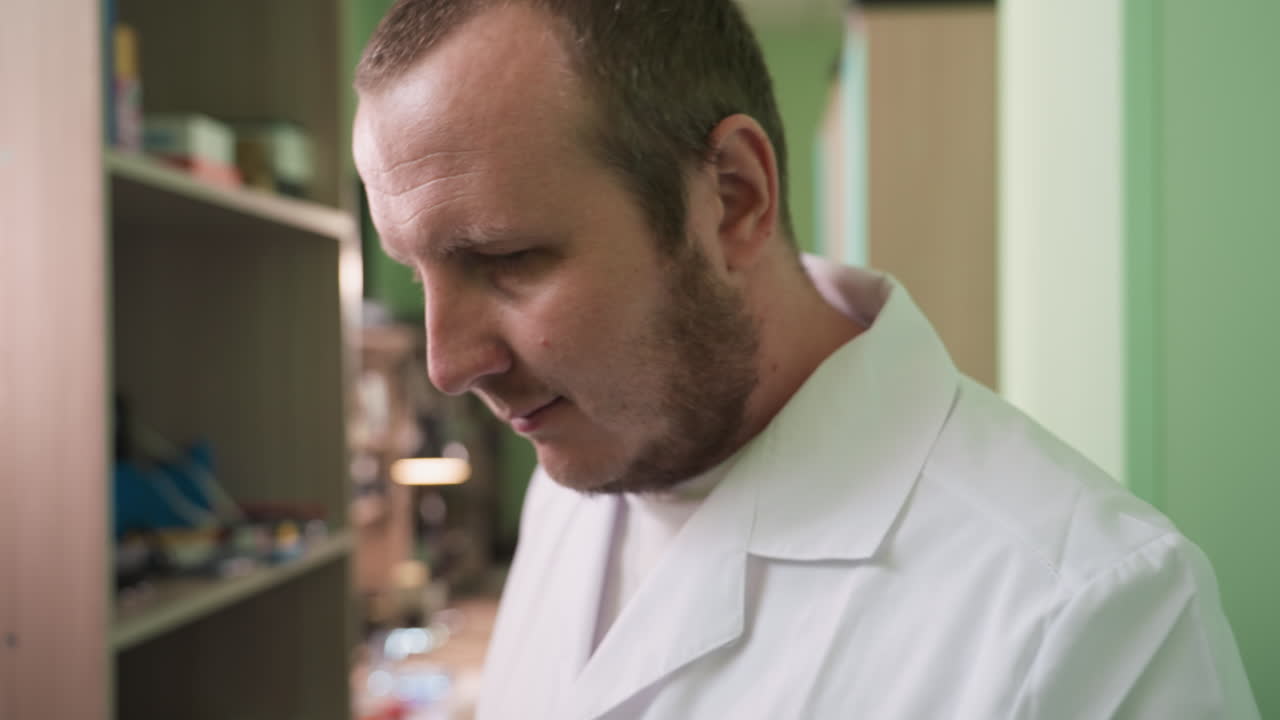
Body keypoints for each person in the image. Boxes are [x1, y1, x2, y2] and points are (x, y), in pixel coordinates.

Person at [351, 1, 1259, 717]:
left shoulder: (1093, 616)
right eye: (419, 272)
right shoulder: (584, 451)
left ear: (734, 198)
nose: (447, 365)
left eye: (505, 258)